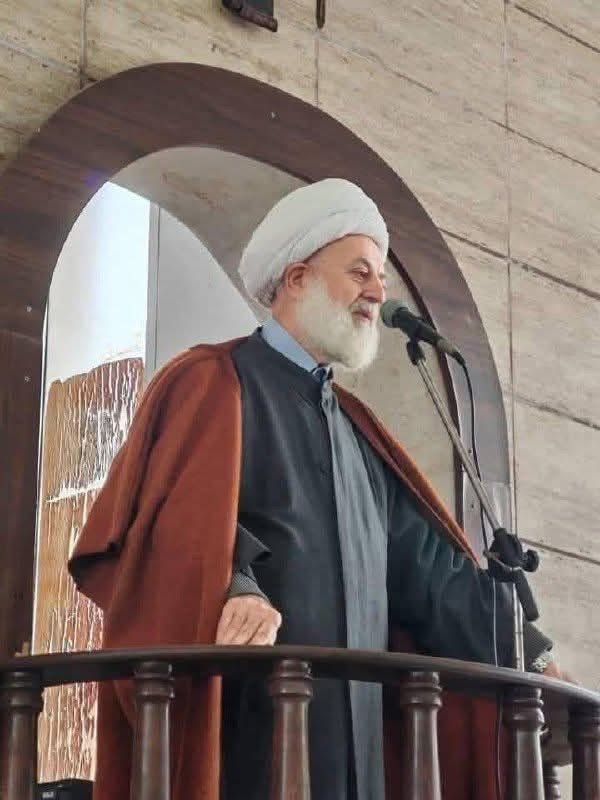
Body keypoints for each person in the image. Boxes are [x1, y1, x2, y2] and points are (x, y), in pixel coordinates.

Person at [69, 178, 560, 800]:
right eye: (359, 272)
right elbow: (171, 524)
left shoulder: (356, 430)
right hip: (251, 738)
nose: (378, 292)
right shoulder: (214, 382)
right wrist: (237, 587)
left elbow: (434, 579)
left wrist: (534, 656)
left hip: (360, 752)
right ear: (297, 277)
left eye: (380, 277)